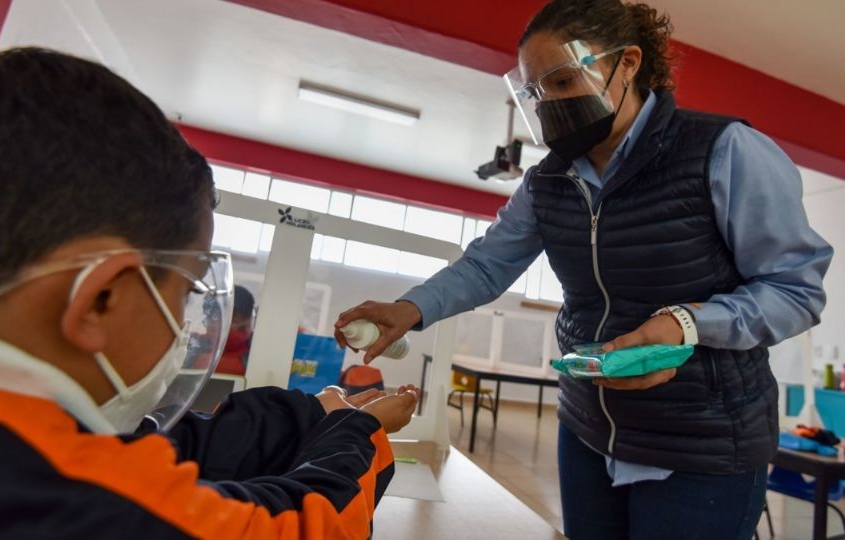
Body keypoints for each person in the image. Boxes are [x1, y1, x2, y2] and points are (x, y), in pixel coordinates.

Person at [335, 1, 833, 538]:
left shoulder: (724, 151)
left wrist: (687, 323)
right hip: (589, 430)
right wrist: (409, 309)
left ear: (628, 63)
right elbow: (486, 265)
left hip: (701, 444)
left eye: (565, 79)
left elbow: (795, 289)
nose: (551, 100)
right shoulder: (548, 183)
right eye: (537, 91)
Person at [0, 47, 418, 539]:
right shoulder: (65, 503)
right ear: (102, 299)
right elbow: (312, 525)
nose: (186, 322)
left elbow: (162, 445)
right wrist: (359, 429)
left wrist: (316, 413)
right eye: (185, 293)